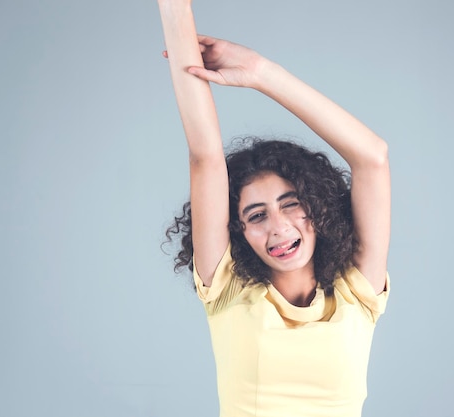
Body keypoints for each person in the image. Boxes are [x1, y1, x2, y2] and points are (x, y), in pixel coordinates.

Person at [158, 1, 391, 416]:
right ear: (240, 232)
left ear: (318, 209)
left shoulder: (356, 294)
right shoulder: (230, 291)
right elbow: (205, 156)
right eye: (257, 215)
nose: (279, 227)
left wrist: (261, 73)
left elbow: (372, 156)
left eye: (292, 205)